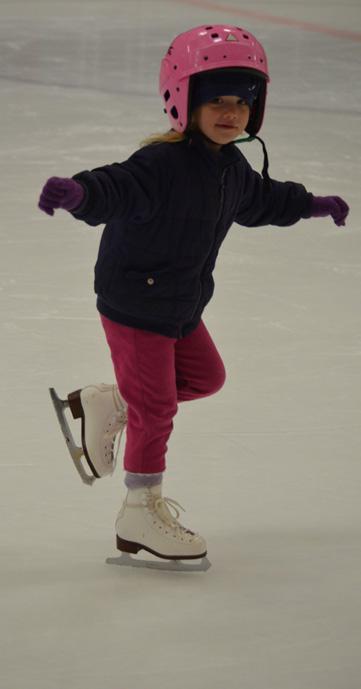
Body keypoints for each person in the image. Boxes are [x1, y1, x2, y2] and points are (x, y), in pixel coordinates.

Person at [38, 24, 349, 561]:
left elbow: (264, 201)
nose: (230, 112)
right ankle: (140, 510)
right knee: (157, 410)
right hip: (136, 303)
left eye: (241, 102)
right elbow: (115, 187)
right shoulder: (160, 164)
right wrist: (79, 192)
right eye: (216, 100)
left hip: (181, 302)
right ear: (184, 99)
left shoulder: (231, 167)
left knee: (206, 378)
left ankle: (107, 401)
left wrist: (312, 204)